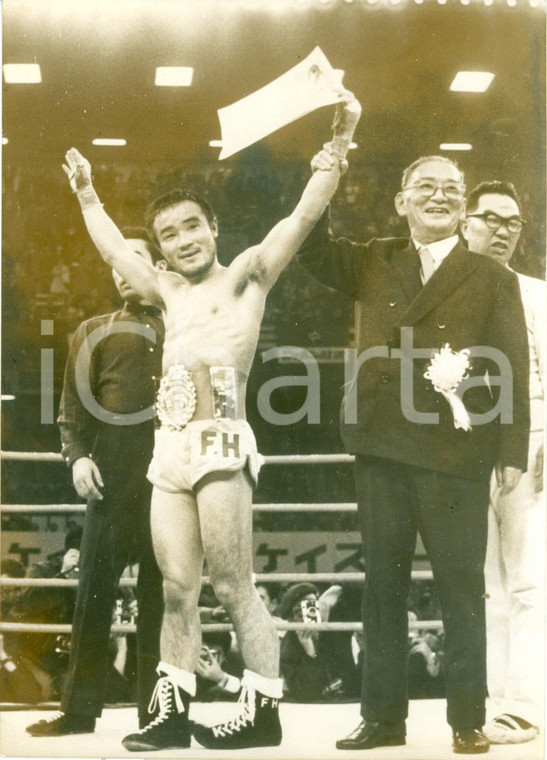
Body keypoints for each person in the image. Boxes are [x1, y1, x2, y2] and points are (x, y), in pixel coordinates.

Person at [59, 86, 361, 752]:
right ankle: (170, 716)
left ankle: (263, 709)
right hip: (168, 447)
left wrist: (338, 142)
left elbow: (304, 216)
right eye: (168, 233)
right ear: (161, 249)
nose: (181, 240)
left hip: (221, 439)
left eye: (191, 225)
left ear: (214, 228)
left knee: (231, 582)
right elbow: (115, 252)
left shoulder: (249, 275)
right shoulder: (164, 289)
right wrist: (86, 193)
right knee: (173, 588)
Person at [297, 154, 530, 754]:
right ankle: (381, 719)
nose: (440, 195)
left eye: (452, 189)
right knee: (382, 587)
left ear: (463, 207)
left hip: (457, 450)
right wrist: (325, 175)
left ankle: (467, 720)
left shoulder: (491, 276)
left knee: (460, 588)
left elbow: (510, 364)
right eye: (425, 186)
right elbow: (310, 249)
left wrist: (511, 453)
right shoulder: (373, 257)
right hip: (381, 445)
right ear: (400, 200)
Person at [26, 228, 166, 737]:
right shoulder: (91, 329)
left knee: (161, 599)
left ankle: (159, 716)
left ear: (157, 267)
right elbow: (72, 407)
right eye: (117, 262)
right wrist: (77, 458)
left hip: (170, 481)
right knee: (93, 596)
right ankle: (79, 710)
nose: (123, 270)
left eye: (137, 261)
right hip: (110, 476)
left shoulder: (186, 325)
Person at [460, 181, 545, 744]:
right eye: (489, 218)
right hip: (465, 446)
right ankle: (491, 701)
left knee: (528, 584)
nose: (501, 229)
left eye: (511, 222)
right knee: (483, 585)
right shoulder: (448, 290)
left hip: (533, 437)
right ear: (467, 222)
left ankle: (527, 702)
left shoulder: (538, 293)